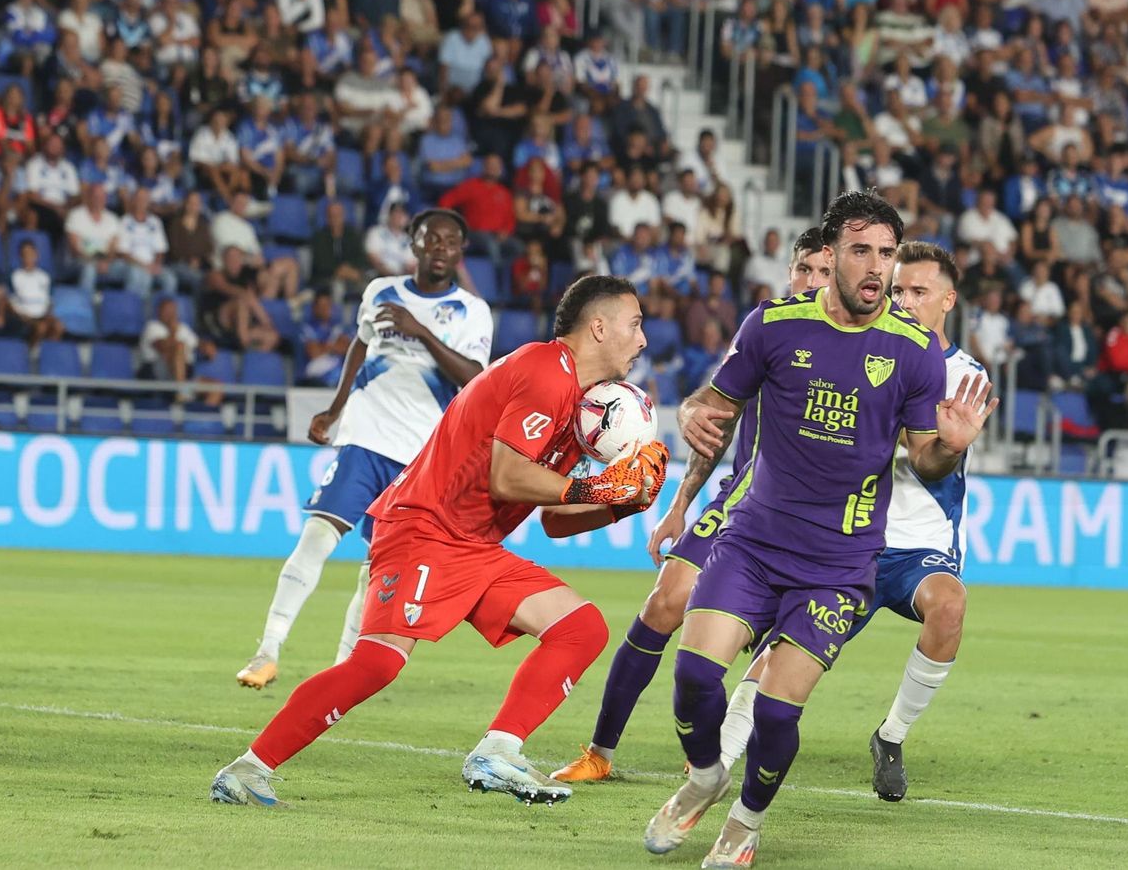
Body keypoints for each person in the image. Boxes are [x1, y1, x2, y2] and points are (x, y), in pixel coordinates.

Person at [211, 275, 668, 807]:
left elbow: (553, 520)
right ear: (599, 327)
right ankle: (247, 770)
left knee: (580, 628)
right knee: (377, 662)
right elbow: (507, 478)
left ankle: (498, 751)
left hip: (473, 545)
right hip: (423, 529)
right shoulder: (546, 371)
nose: (642, 340)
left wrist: (623, 501)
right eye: (635, 325)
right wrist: (595, 486)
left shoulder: (577, 404)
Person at [644, 191, 994, 867]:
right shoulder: (774, 324)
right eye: (862, 250)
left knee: (778, 712)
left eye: (887, 253)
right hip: (752, 543)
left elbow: (925, 457)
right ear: (831, 255)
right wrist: (689, 413)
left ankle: (745, 824)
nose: (877, 267)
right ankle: (706, 777)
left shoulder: (914, 350)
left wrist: (950, 446)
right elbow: (714, 402)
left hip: (839, 562)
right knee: (693, 677)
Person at [551, 227, 832, 785]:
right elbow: (716, 421)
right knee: (663, 602)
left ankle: (713, 748)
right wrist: (680, 503)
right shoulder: (769, 329)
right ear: (789, 272)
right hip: (741, 499)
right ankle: (600, 752)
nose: (812, 281)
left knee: (760, 645)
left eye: (824, 272)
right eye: (804, 269)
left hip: (813, 523)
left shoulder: (867, 346)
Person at [713, 241, 987, 804]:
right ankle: (715, 765)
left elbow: (932, 459)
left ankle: (892, 736)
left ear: (948, 300)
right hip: (848, 536)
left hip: (917, 543)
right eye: (899, 288)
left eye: (919, 291)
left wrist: (946, 444)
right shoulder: (859, 346)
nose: (905, 300)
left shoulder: (963, 375)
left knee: (950, 605)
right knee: (779, 656)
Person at [235, 209, 495, 689]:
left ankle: (339, 672)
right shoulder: (380, 291)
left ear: (461, 251)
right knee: (316, 536)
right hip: (366, 436)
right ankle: (266, 650)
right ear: (413, 243)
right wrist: (333, 411)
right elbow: (360, 346)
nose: (440, 247)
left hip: (420, 457)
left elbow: (475, 378)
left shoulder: (471, 310)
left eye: (450, 241)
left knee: (374, 568)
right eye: (431, 238)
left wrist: (421, 332)